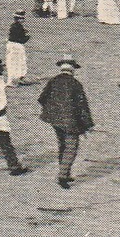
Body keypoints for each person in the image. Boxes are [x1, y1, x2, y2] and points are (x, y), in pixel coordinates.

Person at [38, 56, 94, 189]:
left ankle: (66, 172)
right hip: (71, 122)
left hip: (55, 121)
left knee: (62, 145)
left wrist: (52, 110)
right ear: (73, 70)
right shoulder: (75, 84)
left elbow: (41, 98)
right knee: (71, 147)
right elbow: (82, 107)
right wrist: (88, 124)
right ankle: (63, 176)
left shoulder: (53, 81)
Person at [6, 11, 30, 85]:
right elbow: (21, 39)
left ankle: (17, 78)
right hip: (16, 46)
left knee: (15, 62)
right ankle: (16, 79)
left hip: (12, 45)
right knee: (18, 62)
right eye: (22, 18)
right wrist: (27, 37)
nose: (23, 20)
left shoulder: (14, 26)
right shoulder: (18, 27)